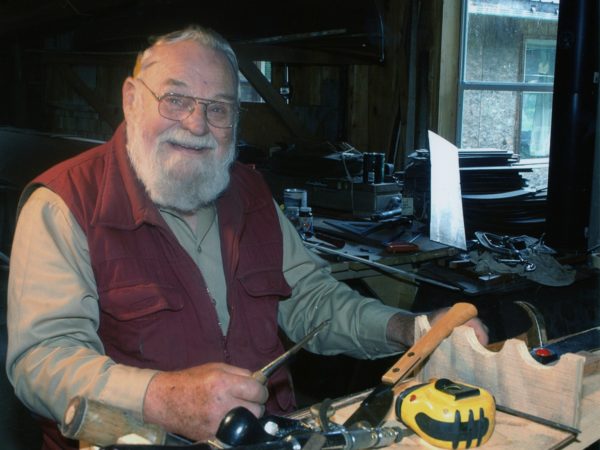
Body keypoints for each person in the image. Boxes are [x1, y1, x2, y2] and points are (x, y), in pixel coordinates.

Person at [6, 25, 488, 450]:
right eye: (176, 99)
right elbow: (41, 360)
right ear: (131, 99)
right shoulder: (64, 204)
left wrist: (413, 329)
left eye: (219, 109)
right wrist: (163, 399)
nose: (197, 124)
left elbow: (314, 303)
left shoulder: (251, 194)